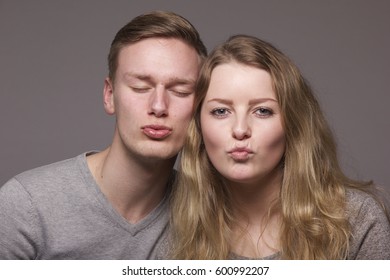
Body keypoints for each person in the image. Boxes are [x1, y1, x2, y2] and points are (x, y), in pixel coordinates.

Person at [0, 11, 207, 259]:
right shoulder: (26, 206)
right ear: (109, 96)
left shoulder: (208, 213)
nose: (159, 106)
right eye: (141, 87)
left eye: (181, 91)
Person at [169, 35, 390, 259]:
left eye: (262, 111)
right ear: (198, 125)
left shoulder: (356, 222)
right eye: (221, 111)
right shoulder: (175, 232)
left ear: (292, 124)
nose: (240, 129)